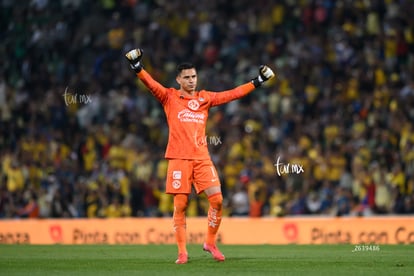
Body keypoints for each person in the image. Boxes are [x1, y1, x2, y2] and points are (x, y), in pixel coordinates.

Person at [125, 48, 275, 264]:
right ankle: (182, 252)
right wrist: (137, 67)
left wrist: (257, 81)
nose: (191, 80)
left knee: (218, 200)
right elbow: (151, 84)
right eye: (186, 77)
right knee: (181, 206)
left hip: (202, 158)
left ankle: (210, 243)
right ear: (178, 79)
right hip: (178, 158)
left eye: (193, 76)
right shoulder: (169, 97)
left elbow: (231, 94)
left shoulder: (205, 98)